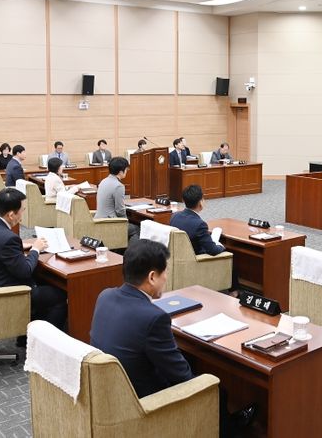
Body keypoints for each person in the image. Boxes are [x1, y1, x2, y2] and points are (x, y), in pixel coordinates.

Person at [90, 239, 255, 437]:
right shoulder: (153, 318)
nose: (166, 278)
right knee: (216, 389)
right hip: (144, 402)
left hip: (115, 392)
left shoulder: (105, 296)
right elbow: (182, 377)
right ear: (152, 277)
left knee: (191, 359)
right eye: (165, 272)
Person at [0, 188, 68, 340]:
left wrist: (19, 246)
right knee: (59, 296)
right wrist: (35, 249)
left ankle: (24, 337)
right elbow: (25, 271)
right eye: (22, 210)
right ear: (11, 215)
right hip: (1, 295)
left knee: (43, 282)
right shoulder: (8, 238)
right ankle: (42, 342)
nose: (23, 214)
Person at [170, 185, 225, 256]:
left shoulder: (175, 216)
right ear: (200, 202)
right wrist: (221, 246)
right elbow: (213, 250)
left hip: (178, 255)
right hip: (196, 259)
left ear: (184, 200)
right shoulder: (200, 224)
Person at [96, 157, 139, 240]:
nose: (126, 172)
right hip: (110, 223)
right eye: (126, 170)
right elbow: (120, 211)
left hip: (98, 220)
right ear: (120, 172)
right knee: (138, 228)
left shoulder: (103, 181)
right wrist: (126, 222)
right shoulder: (118, 186)